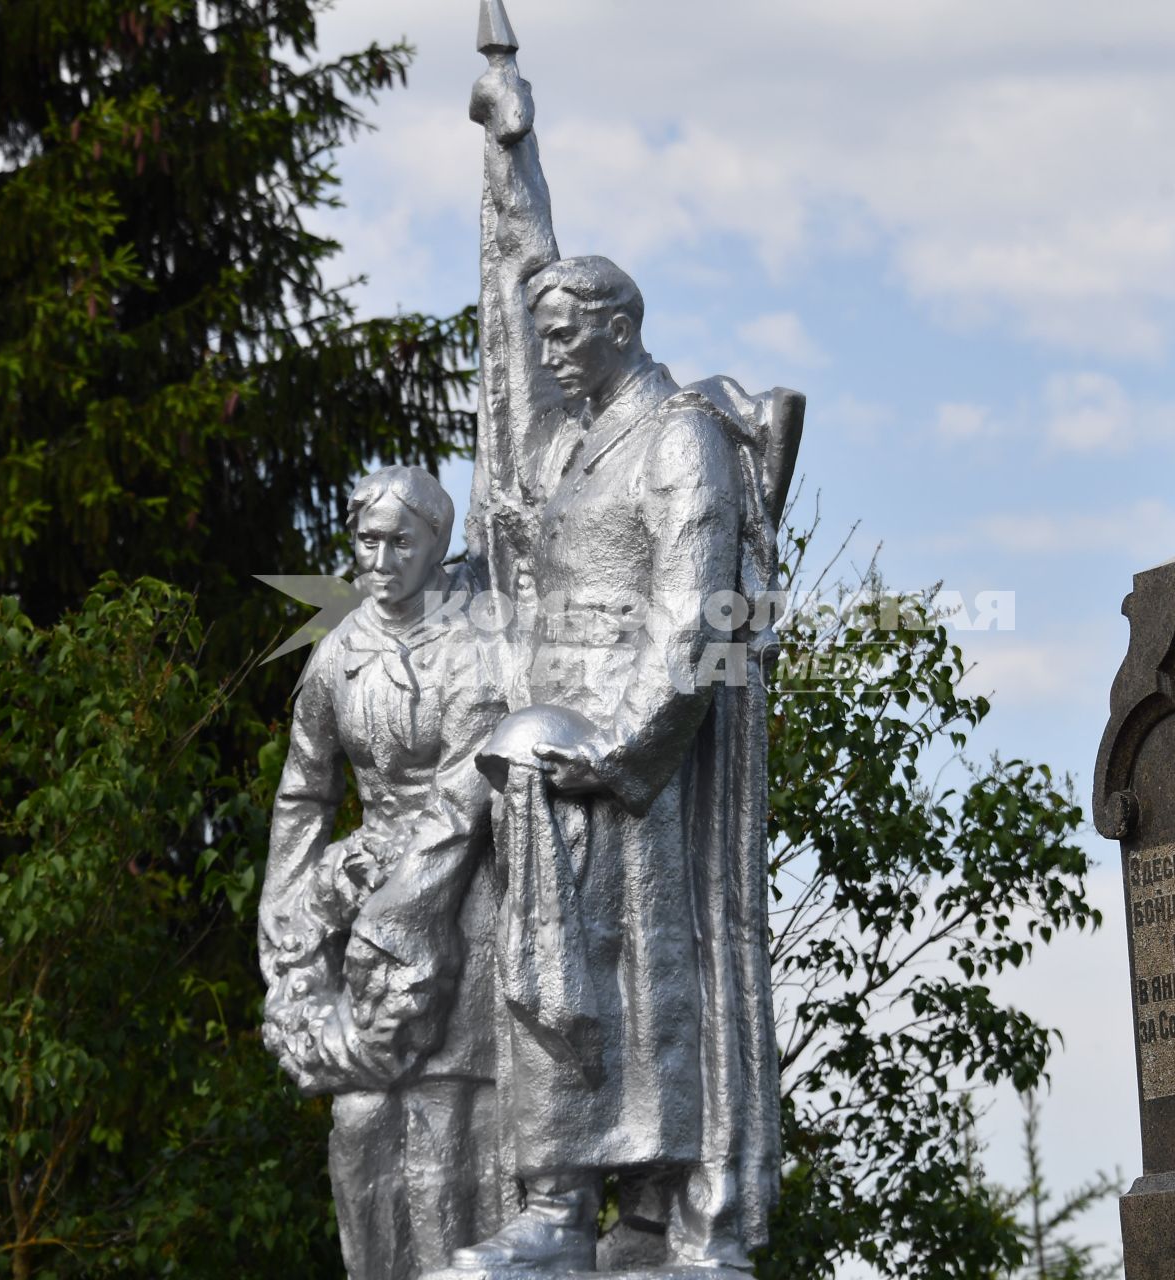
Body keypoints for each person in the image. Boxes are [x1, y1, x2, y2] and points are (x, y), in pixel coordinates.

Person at [451, 53, 783, 1275]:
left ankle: (656, 1205)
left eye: (562, 334)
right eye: (541, 335)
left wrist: (622, 745)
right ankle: (556, 1206)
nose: (544, 354)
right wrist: (512, 160)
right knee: (546, 982)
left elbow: (701, 617)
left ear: (619, 326)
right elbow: (507, 305)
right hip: (554, 749)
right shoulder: (569, 440)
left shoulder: (678, 439)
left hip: (635, 763)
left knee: (642, 987)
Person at [260, 466, 510, 1280]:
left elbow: (465, 790)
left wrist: (406, 906)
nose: (379, 557)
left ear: (436, 548)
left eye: (401, 541)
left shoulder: (473, 651)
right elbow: (304, 793)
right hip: (361, 897)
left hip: (457, 896)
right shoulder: (336, 653)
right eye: (368, 539)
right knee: (360, 1120)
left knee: (446, 1121)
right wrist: (288, 932)